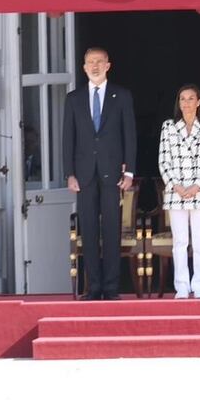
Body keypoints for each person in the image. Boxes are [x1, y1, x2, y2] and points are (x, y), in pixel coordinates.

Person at [63, 47, 136, 300]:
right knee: (90, 231)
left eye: (99, 62)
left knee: (112, 230)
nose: (94, 66)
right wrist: (69, 173)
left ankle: (112, 287)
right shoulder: (73, 98)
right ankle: (94, 287)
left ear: (108, 65)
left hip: (113, 172)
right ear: (83, 67)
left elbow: (130, 136)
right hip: (84, 175)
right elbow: (67, 139)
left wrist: (130, 171)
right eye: (90, 62)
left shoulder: (122, 96)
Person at [158, 84, 200, 299]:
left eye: (191, 98)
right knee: (180, 241)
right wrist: (176, 185)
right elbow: (163, 160)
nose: (186, 103)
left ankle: (199, 286)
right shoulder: (168, 127)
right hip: (176, 192)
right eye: (182, 98)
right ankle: (182, 286)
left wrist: (197, 185)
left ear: (198, 101)